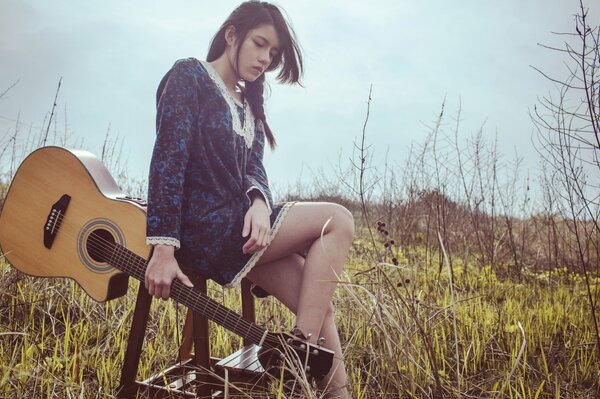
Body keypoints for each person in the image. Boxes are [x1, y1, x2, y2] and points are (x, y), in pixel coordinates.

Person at [144, 2, 353, 397]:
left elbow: (254, 168)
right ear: (231, 35)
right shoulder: (189, 76)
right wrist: (163, 247)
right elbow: (169, 160)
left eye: (272, 54)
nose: (265, 59)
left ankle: (333, 388)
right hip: (205, 230)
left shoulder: (247, 105)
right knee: (337, 220)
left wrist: (259, 201)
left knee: (319, 305)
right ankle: (300, 351)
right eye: (260, 44)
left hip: (240, 235)